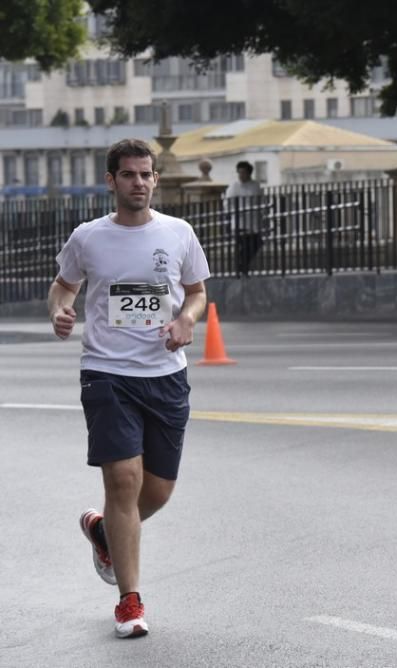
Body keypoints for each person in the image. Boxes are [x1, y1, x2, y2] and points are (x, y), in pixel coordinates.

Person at [48, 139, 210, 638]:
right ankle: (130, 602)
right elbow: (63, 285)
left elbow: (198, 294)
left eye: (146, 174)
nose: (138, 182)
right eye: (129, 175)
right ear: (111, 181)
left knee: (156, 491)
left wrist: (186, 320)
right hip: (106, 373)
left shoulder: (179, 233)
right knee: (123, 482)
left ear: (155, 180)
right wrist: (59, 310)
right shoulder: (88, 237)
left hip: (164, 376)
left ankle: (103, 532)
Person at [224, 160, 265, 274]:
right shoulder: (234, 187)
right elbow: (227, 204)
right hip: (239, 222)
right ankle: (241, 267)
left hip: (253, 222)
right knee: (242, 244)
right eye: (240, 173)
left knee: (256, 243)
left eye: (244, 172)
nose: (242, 175)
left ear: (249, 173)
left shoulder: (255, 186)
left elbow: (260, 201)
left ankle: (243, 265)